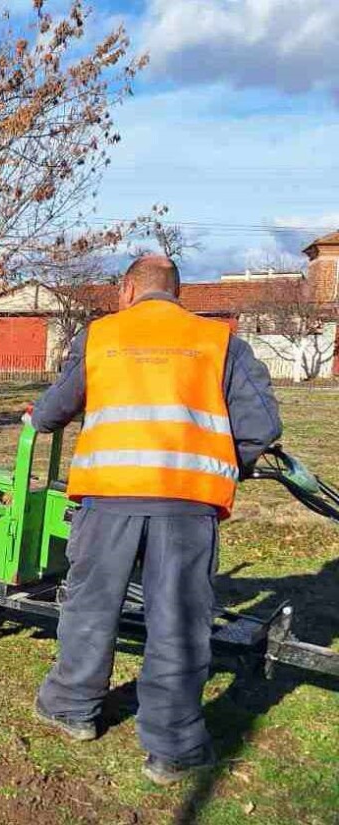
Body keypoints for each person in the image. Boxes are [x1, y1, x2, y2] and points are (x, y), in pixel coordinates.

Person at [26, 255, 282, 786]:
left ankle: (72, 709)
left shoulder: (100, 336)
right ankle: (174, 747)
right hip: (186, 505)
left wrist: (35, 414)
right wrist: (227, 465)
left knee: (91, 607)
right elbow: (261, 426)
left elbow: (52, 413)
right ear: (178, 293)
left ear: (127, 290)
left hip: (108, 499)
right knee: (179, 622)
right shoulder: (219, 342)